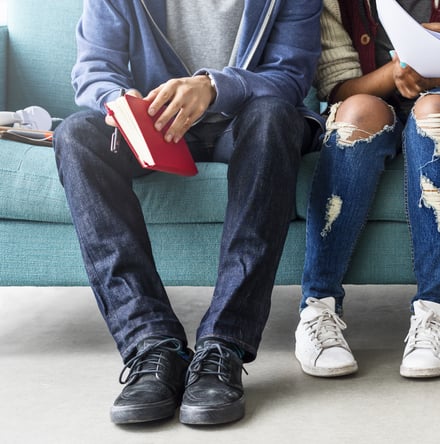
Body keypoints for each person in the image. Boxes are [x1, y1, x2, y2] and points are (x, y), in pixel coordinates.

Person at [52, 0, 322, 425]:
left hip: (247, 125)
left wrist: (214, 87)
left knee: (274, 117)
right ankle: (152, 342)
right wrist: (121, 102)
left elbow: (289, 79)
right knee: (75, 136)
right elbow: (93, 69)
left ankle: (224, 344)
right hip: (156, 129)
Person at [295, 0, 440, 379]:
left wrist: (435, 75)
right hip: (372, 100)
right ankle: (317, 308)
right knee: (357, 112)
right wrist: (396, 72)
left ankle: (434, 311)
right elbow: (337, 87)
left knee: (434, 110)